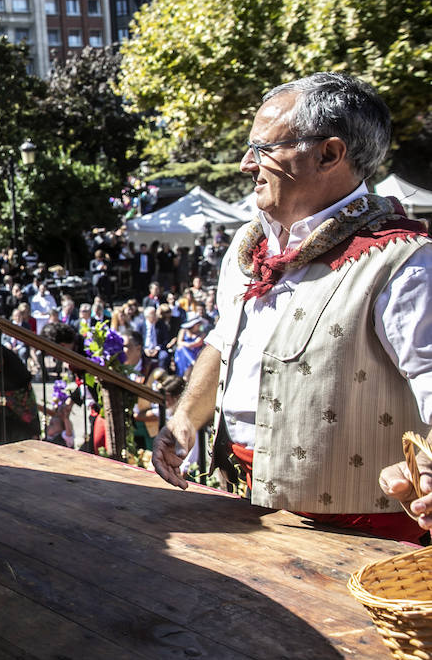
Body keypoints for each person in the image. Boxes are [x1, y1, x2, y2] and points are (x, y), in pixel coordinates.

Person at [153, 73, 430, 543]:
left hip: (358, 530)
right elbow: (228, 338)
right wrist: (186, 418)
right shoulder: (247, 244)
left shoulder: (404, 260)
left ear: (329, 154)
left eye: (263, 149)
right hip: (240, 505)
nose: (246, 164)